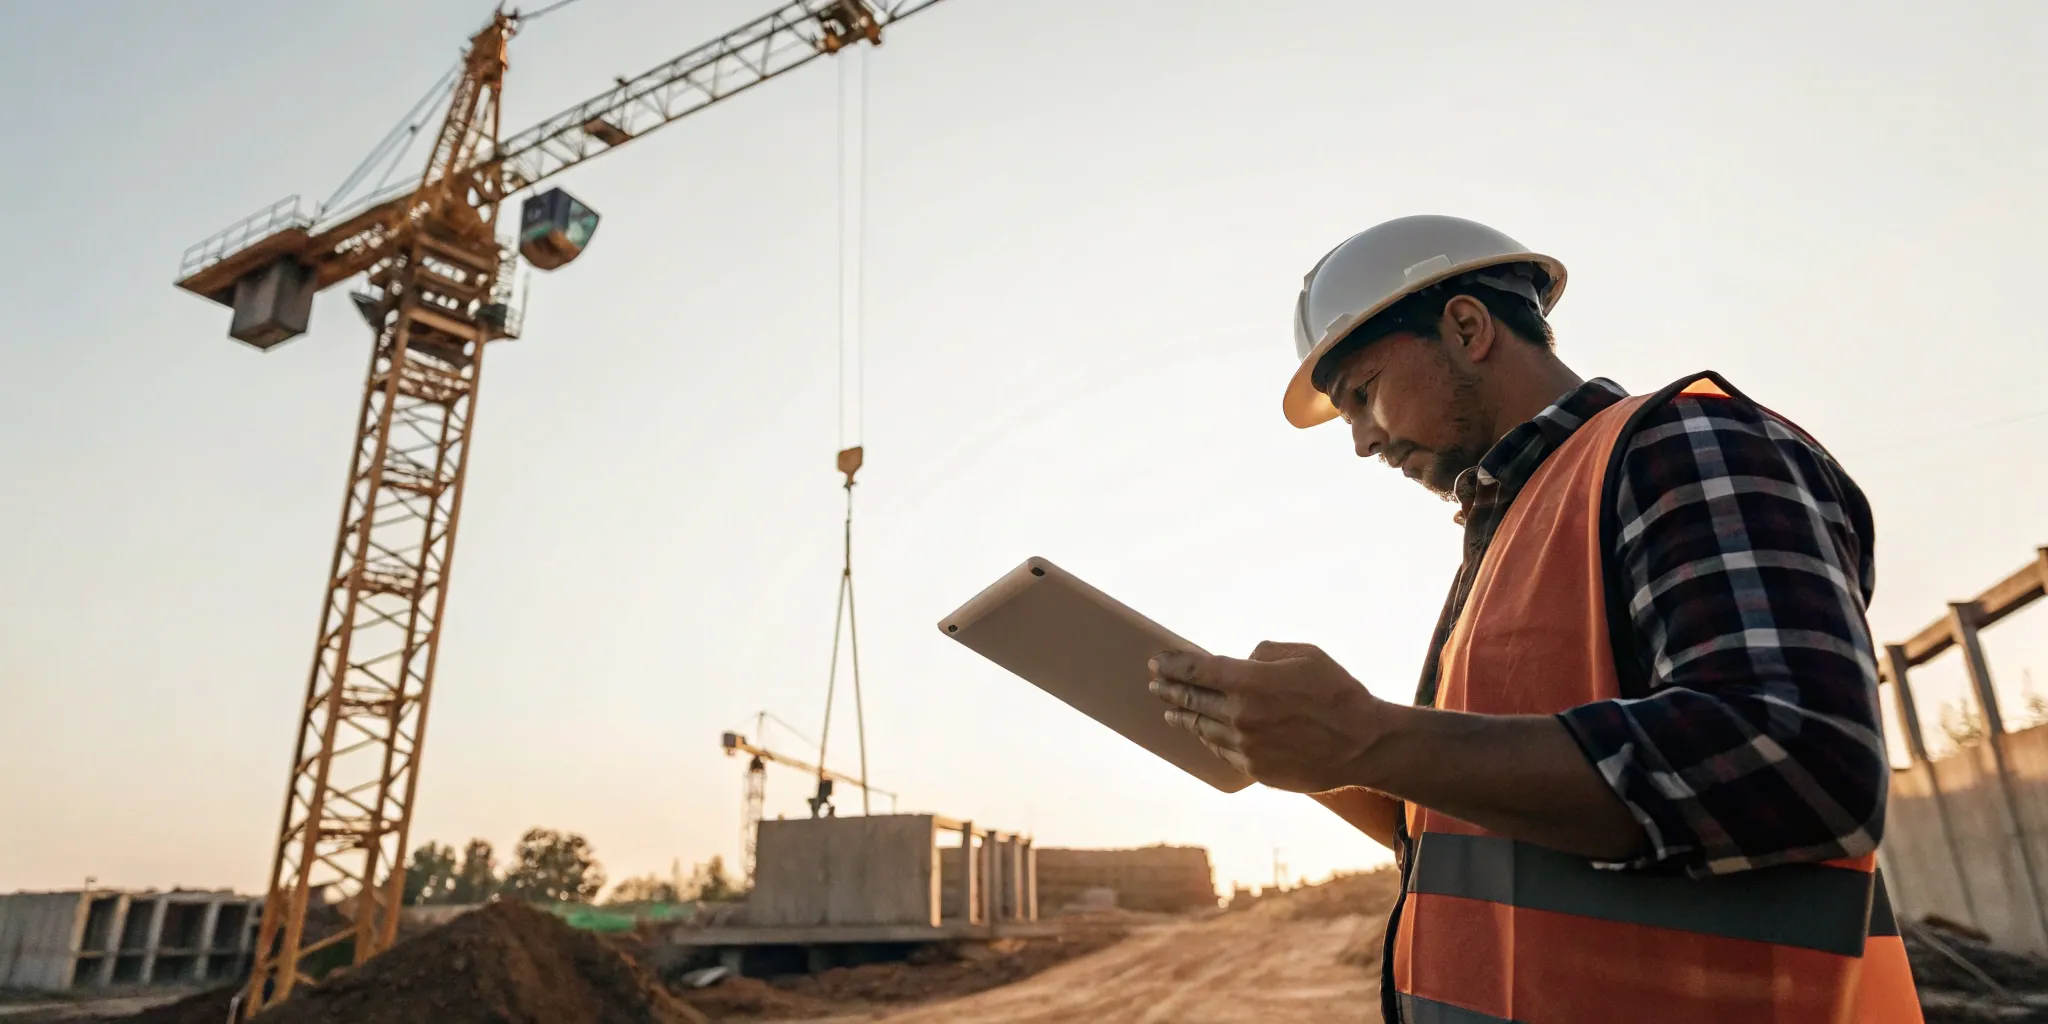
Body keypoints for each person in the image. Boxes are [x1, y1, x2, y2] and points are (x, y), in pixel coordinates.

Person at [1146, 215, 1923, 1023]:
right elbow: (1492, 833)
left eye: (1365, 395)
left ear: (1467, 327)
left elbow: (1798, 759)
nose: (1363, 444)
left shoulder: (1685, 443)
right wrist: (1315, 752)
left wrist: (1365, 736)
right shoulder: (1510, 536)